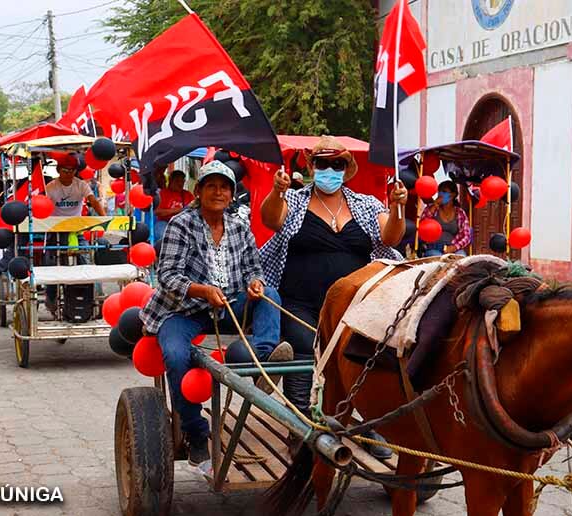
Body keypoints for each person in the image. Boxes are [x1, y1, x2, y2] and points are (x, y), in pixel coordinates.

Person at [259, 136, 407, 458]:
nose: (329, 170)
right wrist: (277, 191)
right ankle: (301, 425)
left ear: (346, 168)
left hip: (356, 304)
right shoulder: (295, 201)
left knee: (361, 354)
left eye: (336, 164)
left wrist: (397, 206)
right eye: (322, 163)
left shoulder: (366, 204)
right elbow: (271, 218)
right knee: (302, 348)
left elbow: (391, 235)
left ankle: (366, 425)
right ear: (312, 167)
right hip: (300, 302)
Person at [141, 160, 293, 466]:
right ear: (198, 191)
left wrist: (255, 283)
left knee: (271, 295)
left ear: (231, 194)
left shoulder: (239, 227)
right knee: (175, 355)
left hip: (229, 304)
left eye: (224, 187)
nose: (218, 192)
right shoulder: (180, 224)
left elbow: (255, 268)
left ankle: (261, 361)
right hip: (184, 310)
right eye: (211, 186)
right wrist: (203, 290)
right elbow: (168, 276)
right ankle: (196, 434)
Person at [43, 154, 107, 312]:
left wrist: (105, 218)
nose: (69, 173)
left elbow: (93, 200)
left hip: (77, 229)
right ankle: (50, 298)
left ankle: (95, 297)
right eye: (65, 170)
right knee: (51, 265)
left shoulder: (81, 185)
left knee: (87, 259)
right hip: (56, 230)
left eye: (72, 170)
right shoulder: (51, 187)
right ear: (59, 170)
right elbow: (43, 207)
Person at [419, 180, 471, 257]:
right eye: (439, 191)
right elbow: (422, 225)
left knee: (461, 260)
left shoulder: (459, 212)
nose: (441, 194)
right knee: (437, 261)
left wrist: (454, 247)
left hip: (453, 247)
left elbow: (466, 236)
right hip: (434, 247)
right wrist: (434, 206)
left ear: (453, 195)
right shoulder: (431, 208)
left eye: (444, 191)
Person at [154, 169, 193, 241]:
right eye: (177, 181)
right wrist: (179, 210)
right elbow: (157, 212)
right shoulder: (162, 194)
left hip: (184, 224)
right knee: (162, 234)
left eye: (182, 181)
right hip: (165, 222)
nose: (180, 184)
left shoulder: (188, 195)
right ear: (170, 180)